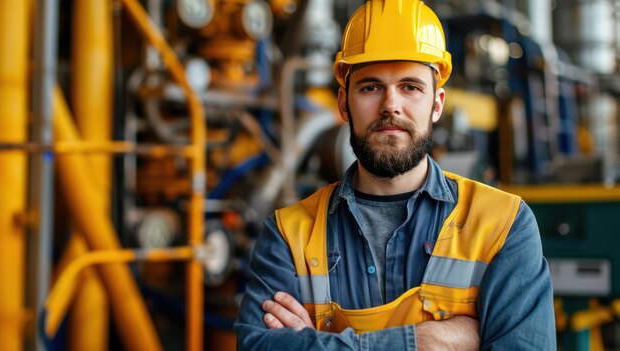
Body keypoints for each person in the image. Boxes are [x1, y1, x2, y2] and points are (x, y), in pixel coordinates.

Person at [235, 0, 556, 349]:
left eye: (410, 87)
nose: (391, 105)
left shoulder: (502, 225)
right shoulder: (287, 235)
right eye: (371, 87)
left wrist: (318, 343)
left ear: (437, 104)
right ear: (344, 104)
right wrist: (422, 341)